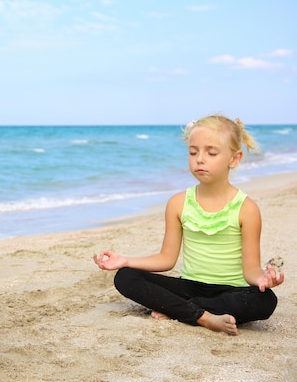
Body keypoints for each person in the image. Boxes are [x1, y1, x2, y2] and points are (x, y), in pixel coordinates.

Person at [93, 114, 284, 336]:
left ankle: (180, 309)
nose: (200, 159)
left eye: (211, 153)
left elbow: (251, 270)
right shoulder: (178, 203)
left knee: (265, 301)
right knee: (125, 276)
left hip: (232, 289)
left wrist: (263, 278)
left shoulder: (247, 209)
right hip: (189, 285)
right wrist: (126, 260)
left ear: (234, 158)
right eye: (193, 152)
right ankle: (203, 317)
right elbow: (166, 259)